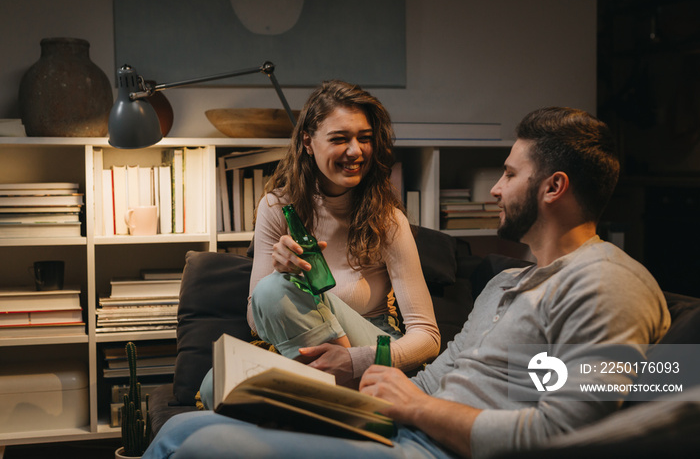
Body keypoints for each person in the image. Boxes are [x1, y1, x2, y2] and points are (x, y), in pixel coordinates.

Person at [143, 107, 670, 459]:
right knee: (180, 427)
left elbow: (567, 433)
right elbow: (435, 379)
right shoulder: (507, 281)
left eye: (510, 175)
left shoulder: (608, 284)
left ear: (554, 187)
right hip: (398, 423)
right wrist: (345, 395)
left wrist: (411, 405)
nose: (494, 190)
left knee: (202, 446)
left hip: (427, 448)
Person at [197, 80, 441, 408]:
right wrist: (282, 272)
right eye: (340, 139)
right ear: (308, 142)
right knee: (217, 385)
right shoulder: (276, 208)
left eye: (364, 139)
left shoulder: (387, 219)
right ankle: (341, 404)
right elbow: (257, 322)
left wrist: (354, 360)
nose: (356, 151)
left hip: (372, 350)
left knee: (272, 291)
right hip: (308, 351)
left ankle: (341, 403)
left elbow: (427, 338)